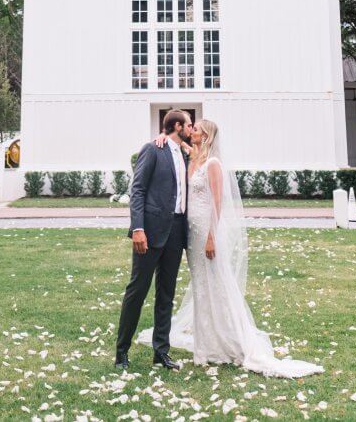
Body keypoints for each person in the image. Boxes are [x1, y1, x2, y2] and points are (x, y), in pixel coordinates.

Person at [137, 118, 324, 379]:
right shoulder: (192, 157)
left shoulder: (213, 164)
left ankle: (227, 340)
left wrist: (212, 236)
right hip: (190, 235)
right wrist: (160, 136)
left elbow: (218, 204)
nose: (193, 131)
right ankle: (206, 344)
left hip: (206, 232)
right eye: (190, 127)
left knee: (216, 283)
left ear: (207, 136)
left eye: (197, 129)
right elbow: (170, 143)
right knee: (201, 286)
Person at [114, 109, 193, 371]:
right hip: (149, 231)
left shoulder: (185, 153)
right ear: (178, 126)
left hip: (177, 231)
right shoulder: (152, 149)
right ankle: (121, 351)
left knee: (166, 294)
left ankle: (161, 352)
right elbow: (137, 190)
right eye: (189, 126)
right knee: (137, 290)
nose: (192, 130)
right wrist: (138, 228)